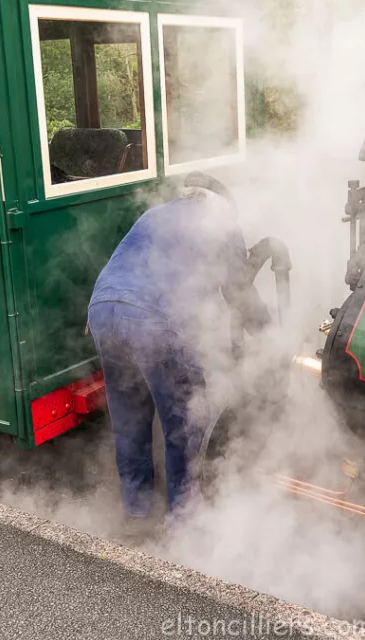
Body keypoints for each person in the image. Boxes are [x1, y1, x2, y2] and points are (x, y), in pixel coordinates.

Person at [87, 172, 270, 519]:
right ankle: (186, 523)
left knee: (129, 419)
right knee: (186, 422)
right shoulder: (222, 224)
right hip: (151, 320)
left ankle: (136, 513)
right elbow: (239, 294)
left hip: (102, 311)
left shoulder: (153, 214)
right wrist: (271, 336)